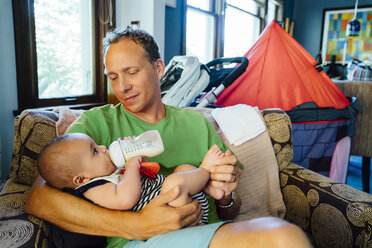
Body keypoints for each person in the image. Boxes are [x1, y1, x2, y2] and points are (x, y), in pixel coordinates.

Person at [25, 27, 311, 247]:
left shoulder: (196, 124)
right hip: (140, 242)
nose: (122, 86)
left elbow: (229, 210)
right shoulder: (97, 124)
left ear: (159, 69)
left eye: (131, 72)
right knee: (282, 238)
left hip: (204, 232)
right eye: (113, 77)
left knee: (282, 236)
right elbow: (39, 197)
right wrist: (138, 224)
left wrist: (225, 195)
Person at [37, 132, 226, 224]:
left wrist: (134, 151)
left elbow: (136, 175)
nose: (103, 148)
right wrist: (131, 166)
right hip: (175, 209)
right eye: (95, 151)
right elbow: (126, 199)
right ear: (81, 179)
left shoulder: (106, 172)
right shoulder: (95, 189)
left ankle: (209, 188)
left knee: (181, 169)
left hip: (181, 198)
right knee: (174, 182)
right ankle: (205, 170)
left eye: (98, 145)